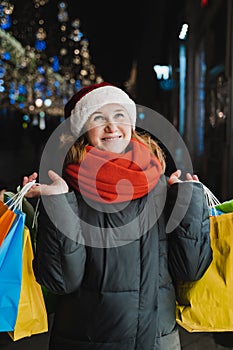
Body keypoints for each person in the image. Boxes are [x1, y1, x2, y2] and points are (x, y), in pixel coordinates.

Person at [23, 82, 212, 350]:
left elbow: (191, 270)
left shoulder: (161, 185)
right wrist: (58, 204)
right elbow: (61, 281)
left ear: (132, 125)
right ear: (82, 131)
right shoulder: (64, 189)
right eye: (99, 118)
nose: (112, 127)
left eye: (119, 115)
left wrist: (189, 201)